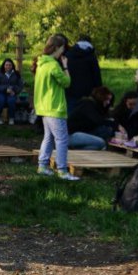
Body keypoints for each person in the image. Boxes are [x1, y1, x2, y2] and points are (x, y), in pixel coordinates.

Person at [33, 34, 80, 181]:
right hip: (54, 107)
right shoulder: (53, 65)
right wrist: (65, 66)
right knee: (62, 139)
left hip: (43, 107)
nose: (64, 52)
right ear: (58, 47)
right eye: (63, 48)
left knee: (48, 137)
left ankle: (42, 166)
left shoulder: (41, 63)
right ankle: (62, 170)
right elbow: (66, 82)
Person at [63, 35, 102, 115]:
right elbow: (96, 74)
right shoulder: (91, 56)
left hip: (71, 89)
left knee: (71, 112)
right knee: (86, 112)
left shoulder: (69, 54)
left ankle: (70, 126)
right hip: (88, 91)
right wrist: (99, 88)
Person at [0, 58, 24, 125]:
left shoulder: (16, 74)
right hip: (0, 93)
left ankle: (11, 118)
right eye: (6, 65)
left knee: (11, 101)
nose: (8, 67)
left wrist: (14, 91)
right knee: (1, 101)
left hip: (12, 93)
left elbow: (20, 85)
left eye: (10, 65)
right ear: (4, 66)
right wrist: (5, 89)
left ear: (12, 66)